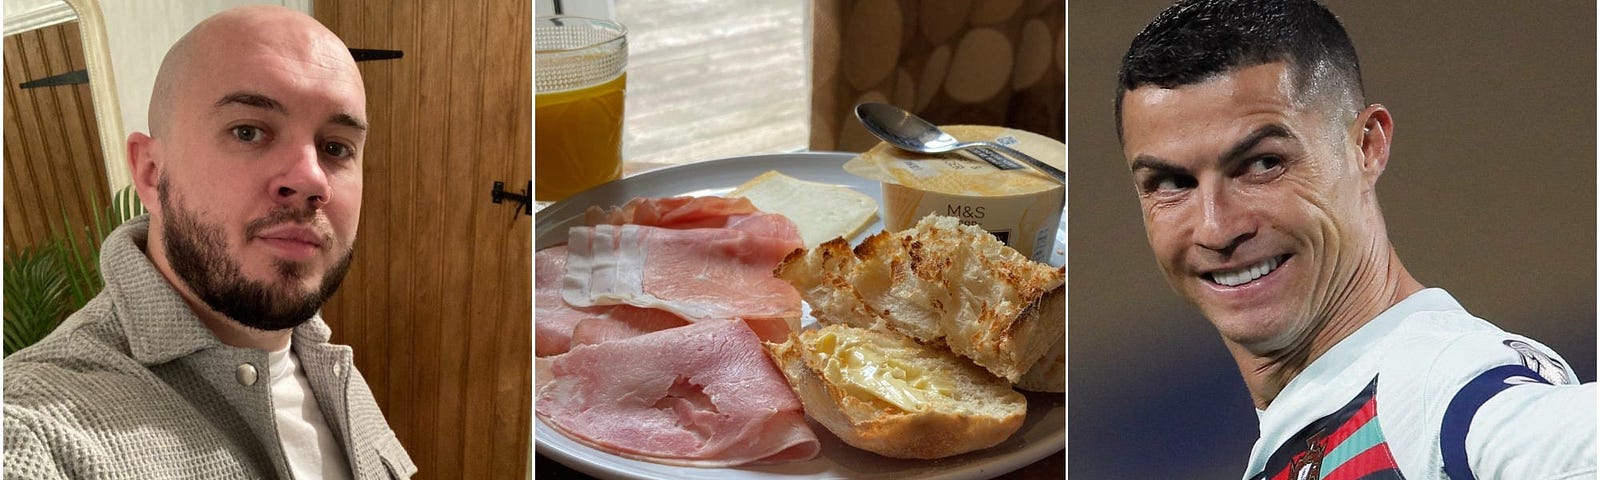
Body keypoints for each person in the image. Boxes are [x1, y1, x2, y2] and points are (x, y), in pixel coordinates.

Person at [1114, 0, 1596, 478]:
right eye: (1171, 183)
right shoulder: (1321, 425)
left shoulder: (1436, 384)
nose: (1216, 228)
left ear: (1368, 146)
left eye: (1263, 164)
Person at [3, 6, 414, 479]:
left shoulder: (329, 365)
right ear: (151, 174)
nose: (310, 179)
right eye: (248, 131)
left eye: (336, 147)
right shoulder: (34, 434)